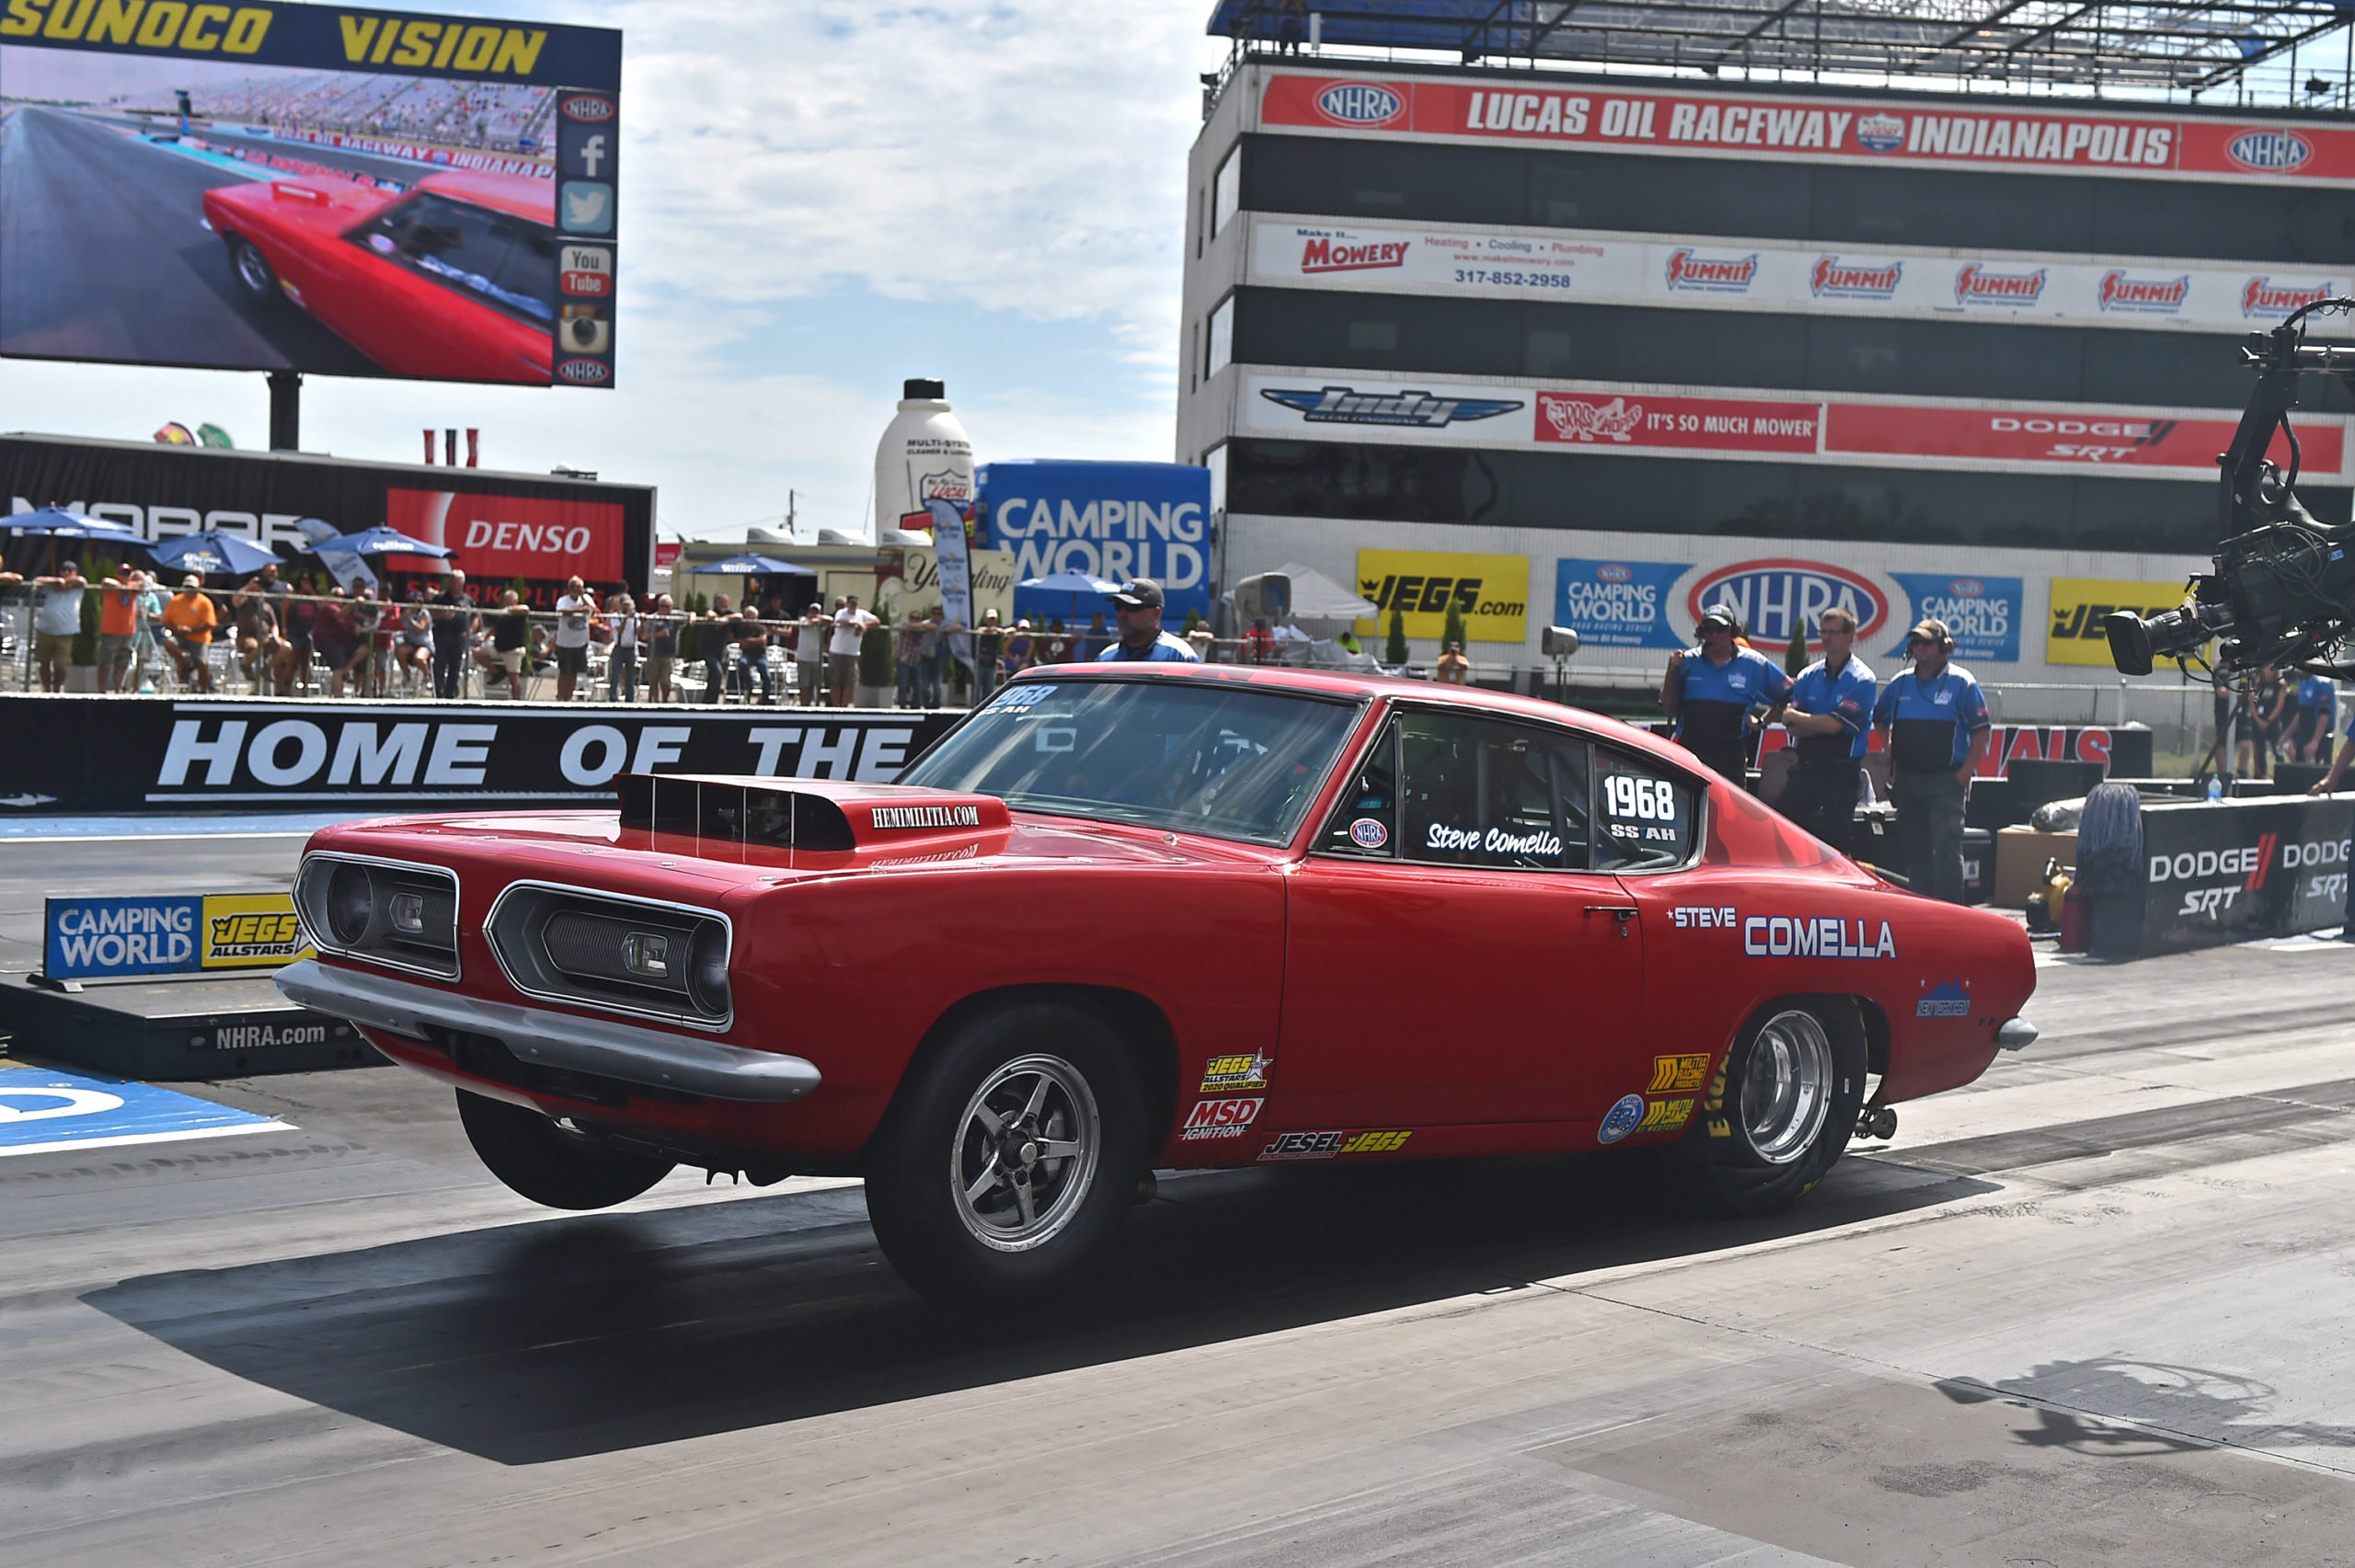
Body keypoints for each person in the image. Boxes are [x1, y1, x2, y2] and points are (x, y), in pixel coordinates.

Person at [1871, 619, 1992, 903]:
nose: (1919, 648)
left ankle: (1951, 912)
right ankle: (1921, 909)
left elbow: (1981, 730)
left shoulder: (1963, 683)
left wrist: (1965, 773)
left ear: (1945, 647)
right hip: (1908, 781)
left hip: (1945, 781)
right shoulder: (1901, 684)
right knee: (1915, 851)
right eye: (1915, 643)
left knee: (1947, 851)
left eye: (1926, 643)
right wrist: (1888, 745)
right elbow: (1879, 718)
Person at [1773, 606, 1878, 857]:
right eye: (1823, 632)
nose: (1827, 637)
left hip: (1841, 771)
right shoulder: (1808, 675)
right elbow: (1793, 727)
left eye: (1834, 632)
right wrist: (1818, 724)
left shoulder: (1862, 679)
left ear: (1851, 635)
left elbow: (1835, 726)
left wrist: (1800, 718)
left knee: (1837, 841)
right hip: (1807, 765)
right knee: (1779, 827)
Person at [1660, 604, 1792, 784]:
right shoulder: (1687, 662)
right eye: (1709, 629)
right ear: (1701, 633)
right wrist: (1671, 671)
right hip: (1691, 753)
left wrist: (1763, 722)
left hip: (1731, 756)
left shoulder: (1753, 663)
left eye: (1721, 629)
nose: (1714, 635)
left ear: (1733, 631)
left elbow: (1788, 693)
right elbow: (1668, 709)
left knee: (1731, 810)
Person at [1097, 578, 1200, 661]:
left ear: (1156, 613)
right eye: (1119, 606)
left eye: (1131, 607)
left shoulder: (1179, 655)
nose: (1122, 614)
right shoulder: (1105, 657)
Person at [30, 559, 86, 692]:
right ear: (60, 572)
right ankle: (47, 689)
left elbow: (82, 580)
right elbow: (37, 580)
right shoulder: (52, 585)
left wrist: (67, 582)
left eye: (70, 570)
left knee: (61, 665)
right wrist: (58, 581)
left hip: (65, 632)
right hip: (45, 630)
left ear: (75, 572)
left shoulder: (78, 587)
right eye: (64, 570)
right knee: (43, 662)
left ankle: (56, 688)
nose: (66, 572)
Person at [160, 574, 218, 692]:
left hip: (200, 638)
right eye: (187, 587)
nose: (189, 590)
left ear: (197, 588)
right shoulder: (176, 601)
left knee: (202, 662)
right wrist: (177, 629)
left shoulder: (205, 602)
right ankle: (185, 665)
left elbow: (210, 624)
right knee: (169, 642)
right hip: (179, 636)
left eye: (192, 587)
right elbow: (166, 621)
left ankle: (203, 690)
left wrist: (191, 630)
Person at [429, 569, 476, 698]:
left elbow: (476, 617)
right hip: (442, 635)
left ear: (463, 584)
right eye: (453, 582)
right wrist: (443, 615)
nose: (455, 585)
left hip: (459, 637)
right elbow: (431, 614)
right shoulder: (440, 598)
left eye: (458, 583)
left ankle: (450, 695)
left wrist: (470, 630)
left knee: (455, 667)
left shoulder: (468, 600)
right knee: (440, 664)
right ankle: (438, 693)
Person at [96, 567, 144, 692]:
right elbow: (105, 581)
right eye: (122, 573)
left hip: (127, 632)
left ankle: (118, 690)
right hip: (110, 631)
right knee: (105, 663)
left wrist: (127, 587)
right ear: (117, 574)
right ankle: (102, 691)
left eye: (127, 573)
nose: (125, 575)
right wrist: (121, 586)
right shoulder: (111, 587)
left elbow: (143, 584)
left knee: (122, 663)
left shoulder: (133, 587)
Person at [553, 576, 595, 701]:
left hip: (580, 644)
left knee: (574, 673)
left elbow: (591, 609)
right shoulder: (563, 600)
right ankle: (560, 697)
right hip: (565, 643)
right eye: (573, 586)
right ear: (568, 588)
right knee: (564, 672)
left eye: (578, 586)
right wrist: (580, 610)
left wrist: (583, 597)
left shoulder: (586, 599)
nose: (575, 589)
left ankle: (568, 698)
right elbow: (562, 611)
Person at [828, 594, 874, 706]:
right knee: (835, 681)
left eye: (855, 604)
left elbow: (877, 620)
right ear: (847, 605)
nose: (852, 607)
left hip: (852, 653)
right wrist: (857, 623)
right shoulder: (841, 612)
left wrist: (863, 624)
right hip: (837, 651)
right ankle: (835, 707)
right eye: (851, 604)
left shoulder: (861, 614)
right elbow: (840, 621)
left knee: (850, 682)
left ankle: (844, 706)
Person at [2290, 672, 2338, 764]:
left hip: (2319, 736)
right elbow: (2301, 714)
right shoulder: (2304, 683)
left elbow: (2324, 714)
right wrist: (2286, 736)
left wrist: (2315, 741)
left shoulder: (2323, 682)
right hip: (2305, 733)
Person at [605, 592, 640, 701]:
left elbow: (640, 632)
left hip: (631, 649)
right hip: (619, 649)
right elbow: (619, 630)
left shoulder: (635, 617)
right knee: (615, 675)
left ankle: (630, 699)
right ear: (620, 605)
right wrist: (626, 618)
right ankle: (613, 698)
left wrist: (642, 622)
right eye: (624, 604)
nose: (626, 607)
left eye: (628, 604)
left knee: (630, 677)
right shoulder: (616, 617)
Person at [794, 600, 829, 705]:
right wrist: (814, 619)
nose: (814, 613)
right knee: (805, 686)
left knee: (816, 685)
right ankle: (804, 707)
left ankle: (816, 707)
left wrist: (818, 618)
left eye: (816, 611)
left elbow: (830, 620)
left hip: (816, 659)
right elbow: (804, 624)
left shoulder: (821, 623)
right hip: (803, 658)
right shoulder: (803, 619)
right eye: (812, 610)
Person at [736, 604, 772, 703]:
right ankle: (748, 685)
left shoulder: (761, 628)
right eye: (749, 615)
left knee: (766, 674)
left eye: (753, 615)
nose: (751, 617)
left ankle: (765, 699)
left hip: (761, 656)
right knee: (742, 664)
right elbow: (742, 644)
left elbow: (763, 641)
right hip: (747, 655)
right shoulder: (742, 628)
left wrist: (749, 641)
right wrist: (756, 641)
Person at [973, 608, 1005, 704]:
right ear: (986, 619)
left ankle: (985, 707)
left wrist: (1002, 631)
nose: (992, 621)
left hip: (992, 664)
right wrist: (994, 630)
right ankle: (975, 708)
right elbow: (979, 630)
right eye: (990, 619)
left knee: (989, 689)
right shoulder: (982, 627)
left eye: (993, 619)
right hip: (980, 664)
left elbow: (1012, 628)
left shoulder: (999, 628)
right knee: (977, 689)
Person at [895, 611, 926, 707]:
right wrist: (919, 626)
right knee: (903, 684)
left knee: (918, 685)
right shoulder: (905, 624)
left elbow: (932, 626)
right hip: (903, 659)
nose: (914, 620)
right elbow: (907, 628)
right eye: (912, 617)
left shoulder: (922, 627)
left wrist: (921, 627)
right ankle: (902, 705)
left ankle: (916, 706)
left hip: (915, 660)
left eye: (917, 618)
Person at [916, 608, 945, 706]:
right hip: (924, 656)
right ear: (931, 614)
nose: (937, 616)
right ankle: (926, 702)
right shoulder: (925, 623)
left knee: (937, 684)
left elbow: (957, 627)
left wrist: (944, 631)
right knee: (924, 684)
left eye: (939, 614)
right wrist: (931, 627)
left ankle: (936, 703)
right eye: (935, 613)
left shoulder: (944, 624)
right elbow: (918, 626)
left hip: (937, 657)